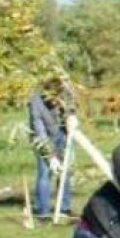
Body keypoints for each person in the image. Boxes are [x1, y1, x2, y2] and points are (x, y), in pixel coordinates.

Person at [28, 77, 72, 219]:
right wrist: (51, 156)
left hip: (62, 134)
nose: (54, 101)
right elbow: (39, 129)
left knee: (64, 171)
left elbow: (73, 108)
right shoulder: (36, 102)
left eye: (57, 97)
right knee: (45, 172)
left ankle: (64, 209)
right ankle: (43, 211)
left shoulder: (65, 94)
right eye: (52, 98)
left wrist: (71, 117)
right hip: (43, 137)